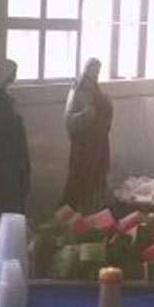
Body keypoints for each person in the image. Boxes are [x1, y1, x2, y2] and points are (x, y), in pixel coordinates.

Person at [62, 58, 113, 213]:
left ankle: (94, 212)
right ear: (87, 70)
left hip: (98, 144)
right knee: (80, 180)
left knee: (97, 181)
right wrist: (85, 115)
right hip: (83, 147)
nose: (96, 74)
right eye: (94, 70)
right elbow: (69, 121)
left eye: (98, 71)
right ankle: (74, 212)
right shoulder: (76, 91)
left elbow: (104, 117)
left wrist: (107, 107)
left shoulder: (97, 91)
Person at [0, 59, 31, 223]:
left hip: (15, 156)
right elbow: (1, 127)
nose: (15, 75)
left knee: (17, 193)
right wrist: (16, 120)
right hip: (7, 158)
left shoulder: (6, 97)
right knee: (9, 197)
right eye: (13, 71)